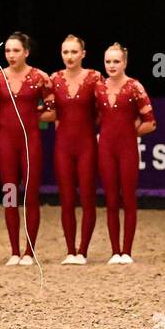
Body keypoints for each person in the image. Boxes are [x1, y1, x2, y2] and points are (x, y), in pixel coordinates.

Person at [0, 33, 55, 266]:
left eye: (16, 50)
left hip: (30, 142)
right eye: (7, 51)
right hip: (5, 143)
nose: (11, 55)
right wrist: (7, 121)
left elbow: (53, 110)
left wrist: (32, 119)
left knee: (30, 195)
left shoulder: (40, 78)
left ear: (26, 52)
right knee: (9, 195)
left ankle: (29, 251)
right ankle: (14, 251)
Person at [94, 43, 157, 264]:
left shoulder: (135, 87)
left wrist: (131, 133)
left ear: (125, 63)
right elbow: (93, 119)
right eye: (108, 61)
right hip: (106, 150)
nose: (112, 65)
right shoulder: (98, 88)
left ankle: (127, 251)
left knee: (129, 199)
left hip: (128, 149)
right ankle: (114, 251)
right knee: (111, 200)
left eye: (116, 61)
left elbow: (151, 123)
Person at [47, 35, 101, 265]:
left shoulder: (94, 77)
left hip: (87, 144)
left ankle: (83, 251)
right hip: (63, 146)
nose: (69, 56)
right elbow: (49, 112)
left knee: (88, 197)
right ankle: (70, 250)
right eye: (65, 52)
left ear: (83, 54)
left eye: (73, 52)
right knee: (67, 199)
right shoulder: (53, 79)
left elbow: (103, 110)